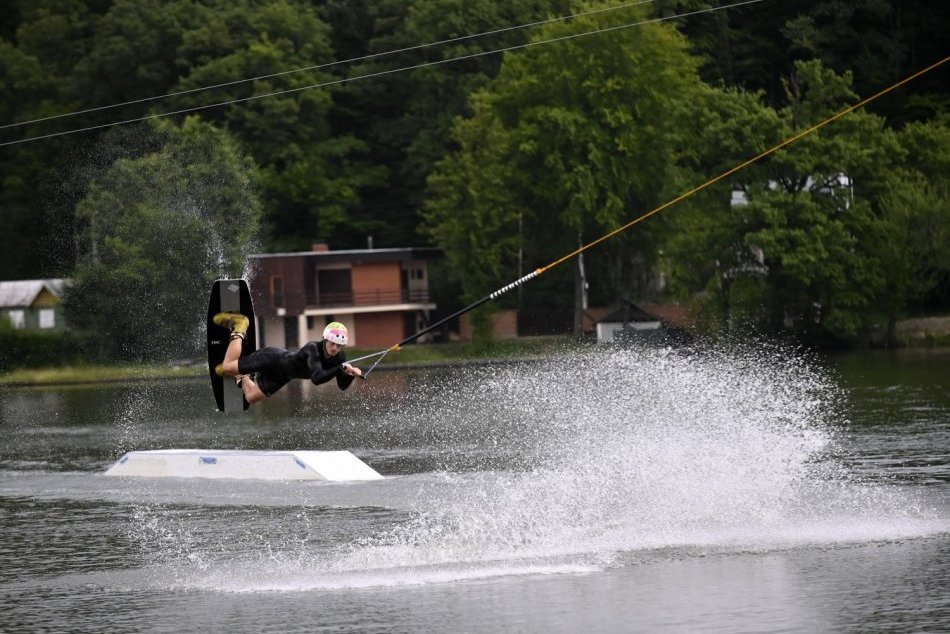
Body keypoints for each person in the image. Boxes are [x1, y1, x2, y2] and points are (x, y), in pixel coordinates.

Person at [213, 314, 362, 405]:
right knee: (226, 367)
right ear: (325, 339)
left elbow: (342, 385)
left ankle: (241, 373)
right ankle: (240, 326)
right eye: (332, 343)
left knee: (251, 398)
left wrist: (350, 375)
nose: (335, 348)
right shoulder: (313, 349)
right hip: (273, 359)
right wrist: (340, 368)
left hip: (282, 376)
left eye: (339, 345)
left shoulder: (339, 357)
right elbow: (316, 379)